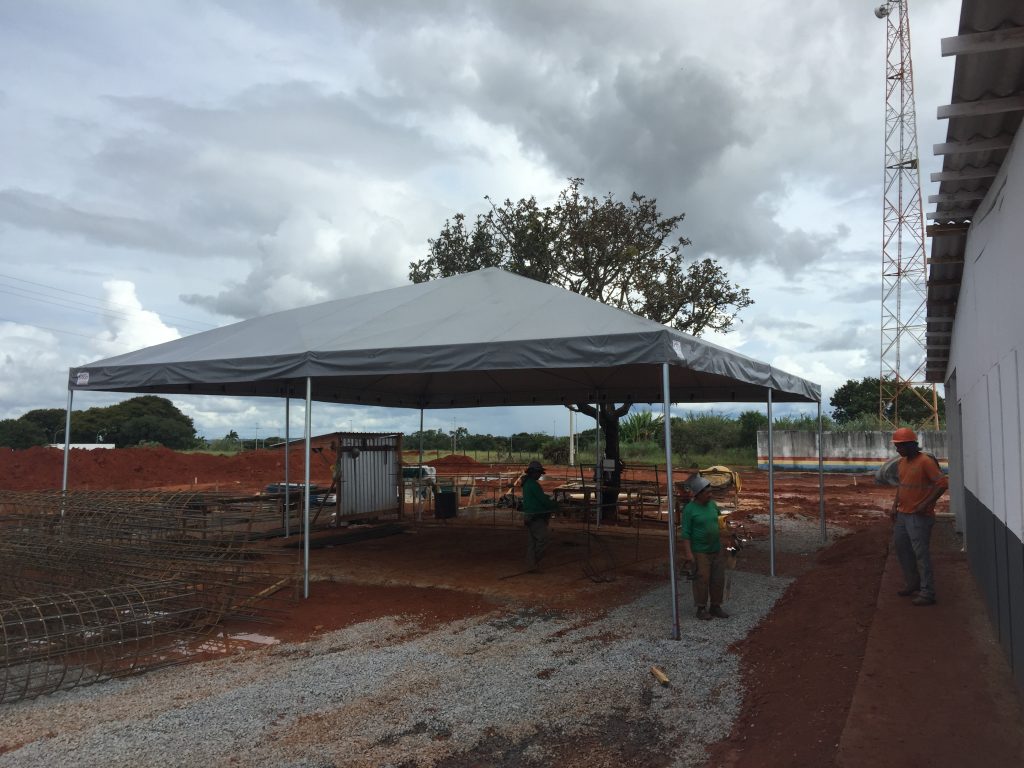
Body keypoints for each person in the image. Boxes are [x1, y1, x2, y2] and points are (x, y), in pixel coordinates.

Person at [890, 427, 948, 606]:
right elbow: (902, 485)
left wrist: (926, 504)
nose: (897, 450)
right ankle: (912, 583)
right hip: (903, 514)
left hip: (919, 517)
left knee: (921, 554)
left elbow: (942, 483)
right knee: (902, 549)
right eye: (896, 446)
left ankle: (927, 592)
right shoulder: (902, 462)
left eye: (900, 446)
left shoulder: (925, 462)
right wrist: (894, 505)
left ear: (910, 445)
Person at [679, 475, 729, 620]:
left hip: (716, 548)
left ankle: (715, 606)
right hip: (700, 551)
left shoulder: (712, 505)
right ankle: (701, 608)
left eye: (711, 492)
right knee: (702, 579)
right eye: (708, 493)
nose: (710, 495)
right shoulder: (690, 509)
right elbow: (686, 533)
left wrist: (726, 534)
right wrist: (689, 554)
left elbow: (720, 521)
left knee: (718, 578)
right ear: (699, 494)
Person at [521, 459, 558, 571]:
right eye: (538, 473)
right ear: (533, 472)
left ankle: (531, 565)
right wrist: (555, 506)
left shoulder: (527, 483)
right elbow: (543, 500)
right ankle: (533, 562)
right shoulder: (533, 485)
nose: (539, 475)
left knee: (532, 542)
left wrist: (549, 500)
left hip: (529, 516)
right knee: (542, 540)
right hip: (535, 516)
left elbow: (540, 497)